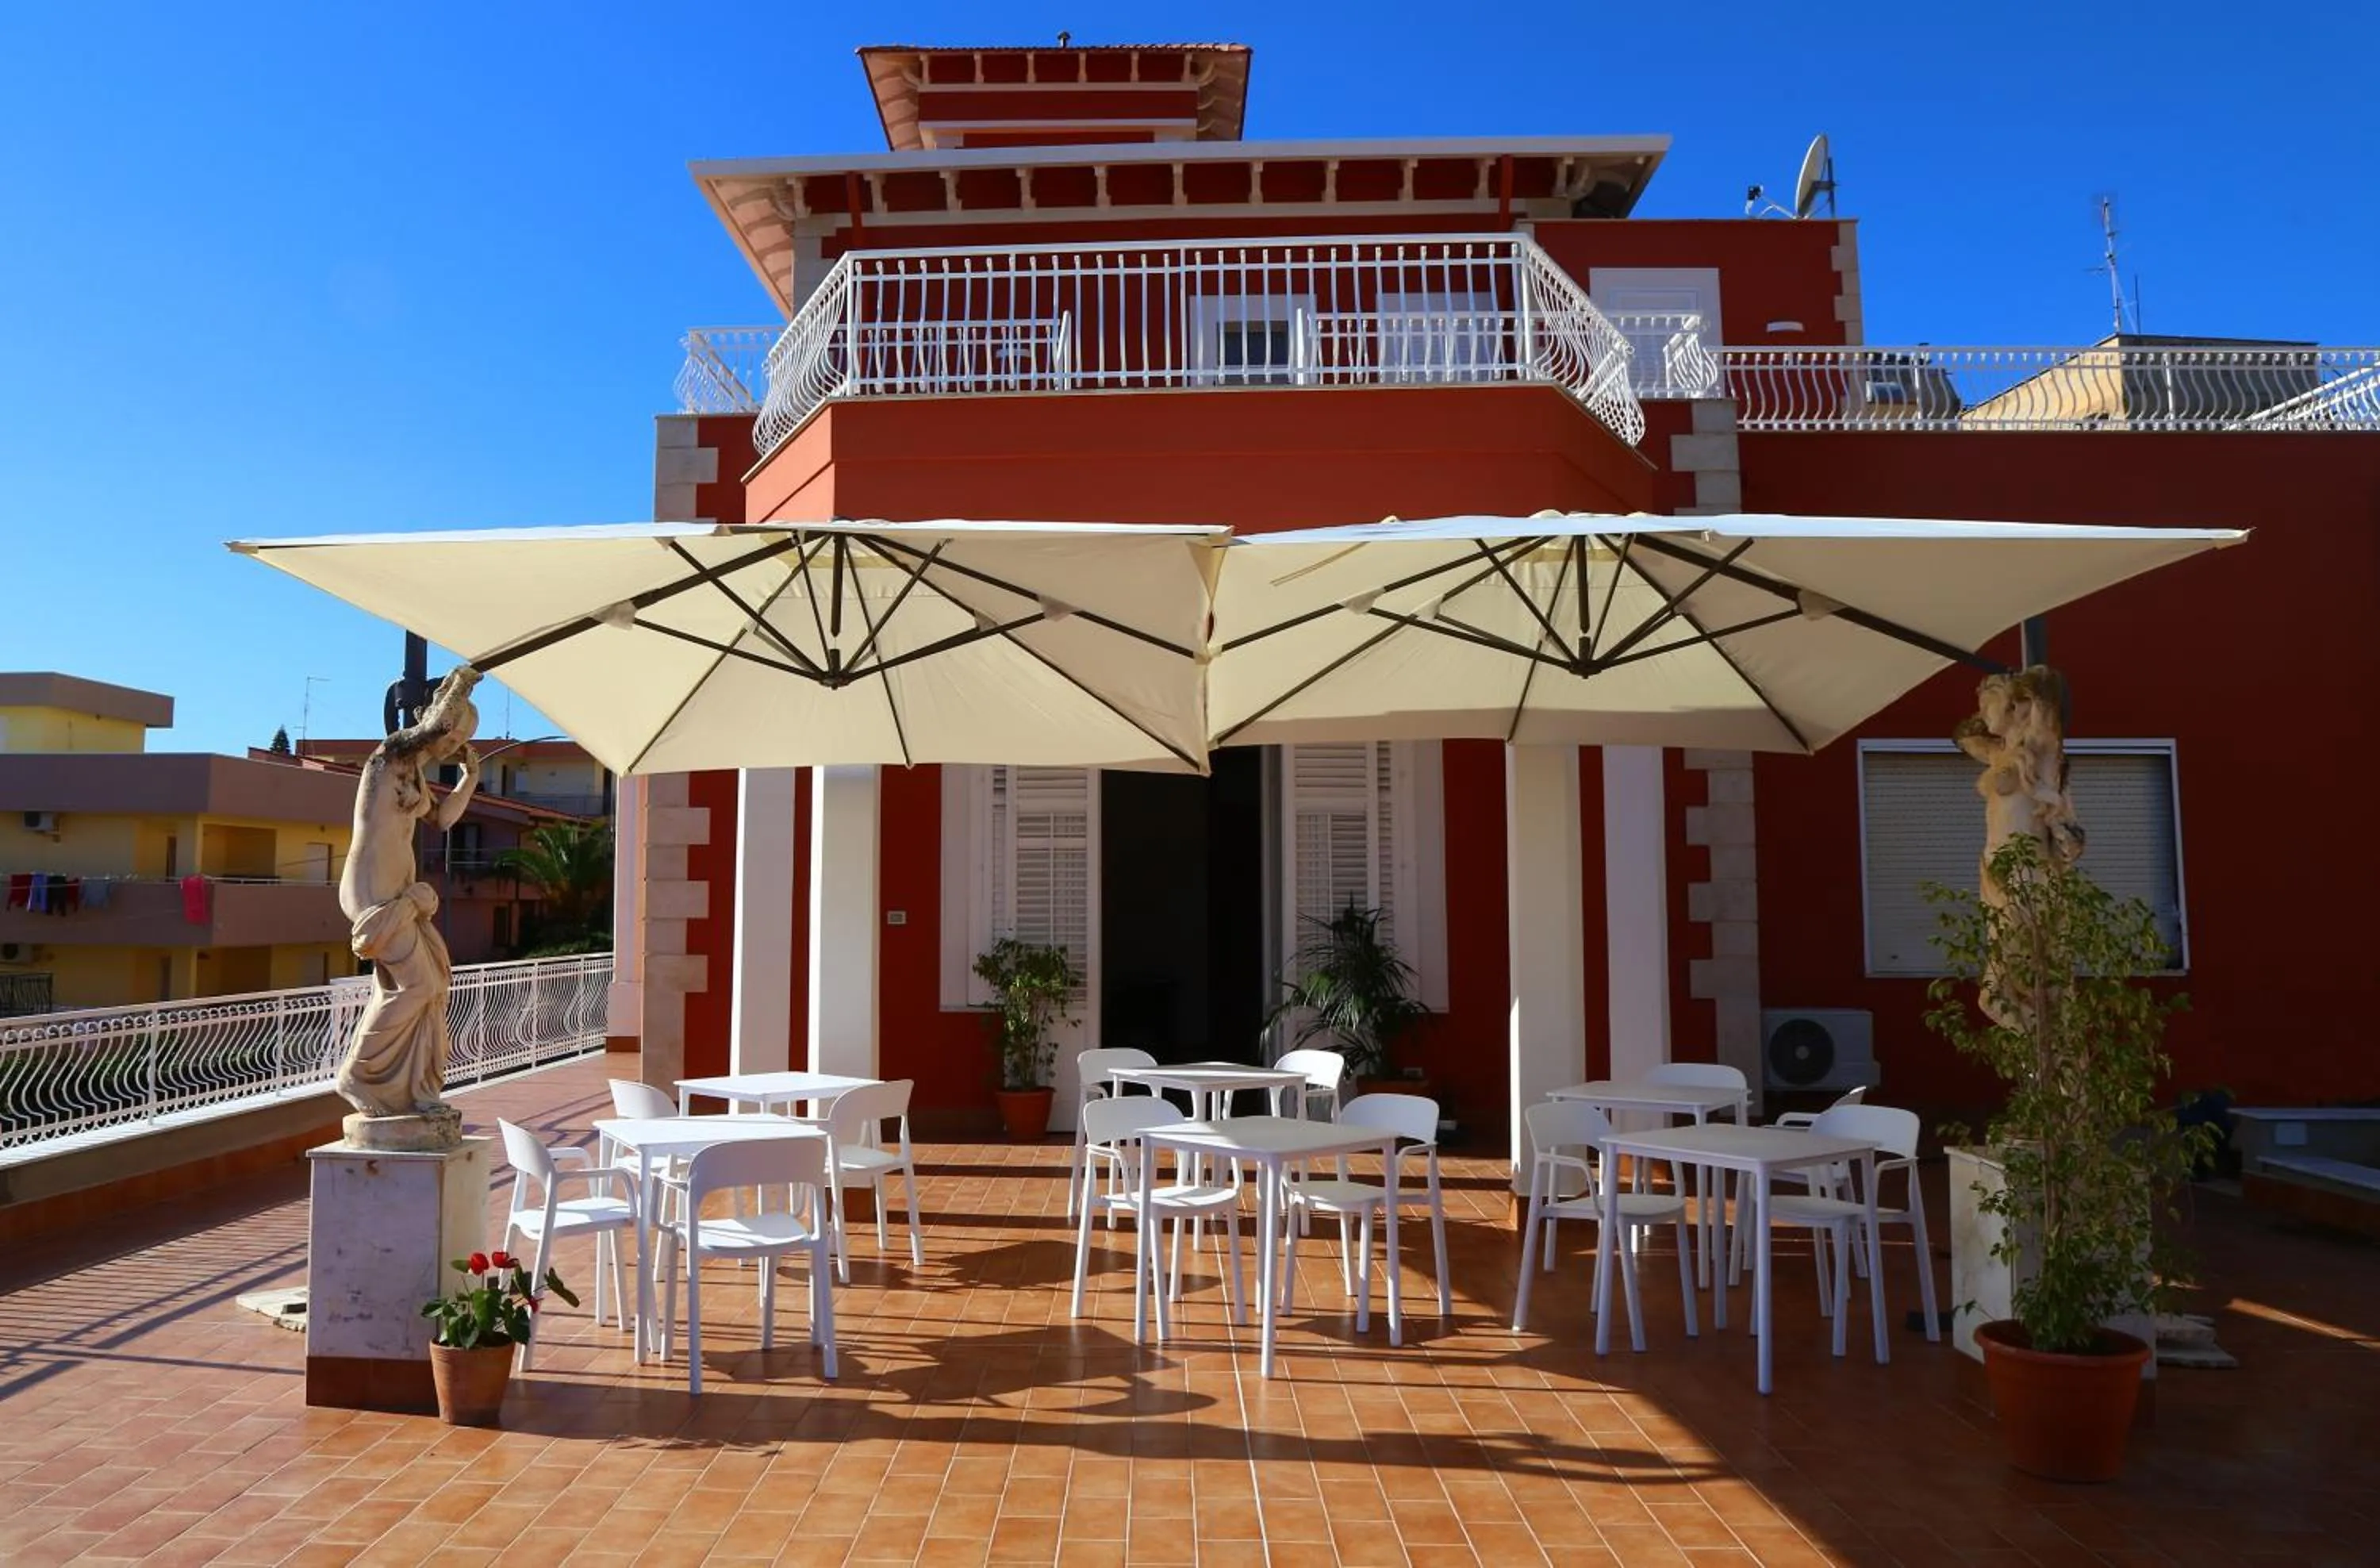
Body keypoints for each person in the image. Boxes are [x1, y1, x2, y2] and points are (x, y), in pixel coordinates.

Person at [335, 667, 482, 1120]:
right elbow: (434, 726)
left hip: (398, 893)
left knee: (429, 985)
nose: (450, 745)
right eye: (451, 737)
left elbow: (443, 819)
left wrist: (469, 778)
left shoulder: (414, 778)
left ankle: (409, 1087)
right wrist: (464, 681)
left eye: (458, 742)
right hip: (372, 891)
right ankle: (358, 1076)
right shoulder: (388, 757)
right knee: (418, 984)